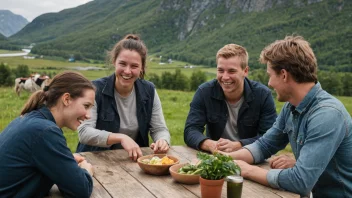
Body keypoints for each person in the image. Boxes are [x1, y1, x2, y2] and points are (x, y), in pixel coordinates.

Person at [226, 36, 352, 197]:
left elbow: (301, 181)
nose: (269, 83)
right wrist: (224, 159)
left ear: (284, 75)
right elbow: (265, 145)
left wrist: (248, 170)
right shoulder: (292, 106)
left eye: (270, 75)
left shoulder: (327, 115)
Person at [76, 34, 171, 161]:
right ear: (114, 62)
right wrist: (120, 137)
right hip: (94, 160)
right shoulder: (95, 89)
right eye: (122, 64)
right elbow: (84, 133)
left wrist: (162, 140)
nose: (127, 71)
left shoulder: (149, 90)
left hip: (132, 161)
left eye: (134, 66)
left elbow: (159, 128)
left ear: (142, 67)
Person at [0, 71, 95, 197]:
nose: (89, 115)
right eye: (86, 106)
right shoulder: (45, 131)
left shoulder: (31, 119)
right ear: (66, 99)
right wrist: (85, 170)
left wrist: (63, 159)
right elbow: (81, 190)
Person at [184, 43, 277, 153]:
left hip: (251, 156)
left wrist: (239, 145)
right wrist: (210, 145)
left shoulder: (262, 95)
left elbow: (270, 137)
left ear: (245, 71)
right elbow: (191, 130)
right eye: (220, 70)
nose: (225, 77)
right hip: (216, 158)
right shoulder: (204, 92)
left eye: (232, 71)